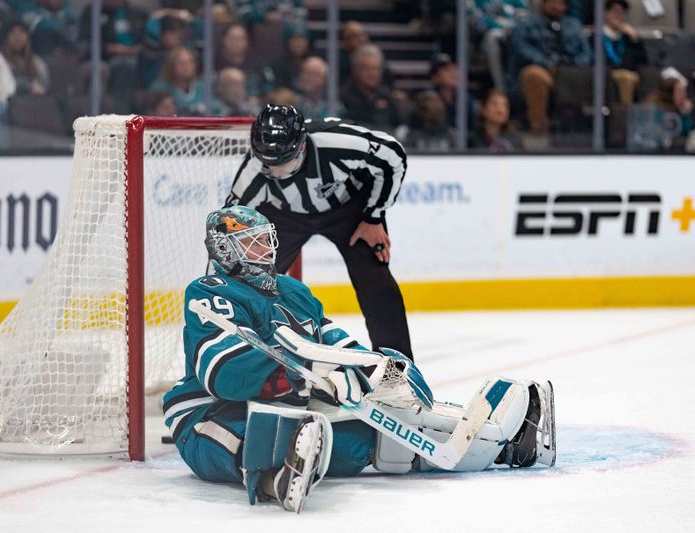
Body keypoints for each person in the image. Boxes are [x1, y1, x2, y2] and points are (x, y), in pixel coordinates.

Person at [164, 204, 557, 513]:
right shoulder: (211, 290)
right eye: (252, 243)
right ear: (224, 250)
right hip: (211, 414)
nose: (265, 250)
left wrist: (374, 368)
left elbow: (334, 340)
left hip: (294, 407)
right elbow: (224, 373)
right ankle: (273, 477)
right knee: (259, 432)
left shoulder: (292, 290)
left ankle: (504, 444)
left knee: (372, 437)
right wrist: (302, 375)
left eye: (266, 240)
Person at [225, 104, 412, 357]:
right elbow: (227, 233)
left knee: (376, 281)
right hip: (285, 216)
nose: (275, 172)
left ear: (302, 145)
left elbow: (393, 155)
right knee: (250, 281)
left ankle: (398, 368)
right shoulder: (253, 174)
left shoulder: (339, 143)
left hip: (350, 210)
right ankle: (238, 357)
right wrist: (225, 282)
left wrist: (373, 216)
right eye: (266, 164)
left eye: (284, 162)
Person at [507, 0, 592, 134]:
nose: (556, 7)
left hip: (570, 73)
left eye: (560, 3)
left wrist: (572, 66)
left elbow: (586, 53)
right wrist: (547, 64)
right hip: (542, 71)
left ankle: (600, 131)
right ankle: (540, 128)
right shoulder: (526, 24)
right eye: (552, 2)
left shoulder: (574, 25)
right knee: (534, 75)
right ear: (543, 3)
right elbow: (521, 48)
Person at [340, 44, 403, 134]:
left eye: (376, 69)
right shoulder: (344, 98)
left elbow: (399, 126)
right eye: (367, 69)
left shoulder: (386, 96)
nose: (373, 74)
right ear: (355, 70)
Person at [599, 0, 646, 104]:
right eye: (615, 12)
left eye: (622, 13)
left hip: (629, 74)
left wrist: (635, 39)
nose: (619, 16)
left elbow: (643, 62)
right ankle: (624, 116)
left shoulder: (627, 38)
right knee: (626, 78)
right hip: (605, 75)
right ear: (605, 13)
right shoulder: (597, 37)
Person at [0, 21, 50, 96]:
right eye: (13, 33)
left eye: (22, 32)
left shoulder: (36, 61)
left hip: (32, 102)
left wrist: (38, 87)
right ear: (6, 38)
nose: (17, 37)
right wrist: (28, 86)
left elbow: (44, 83)